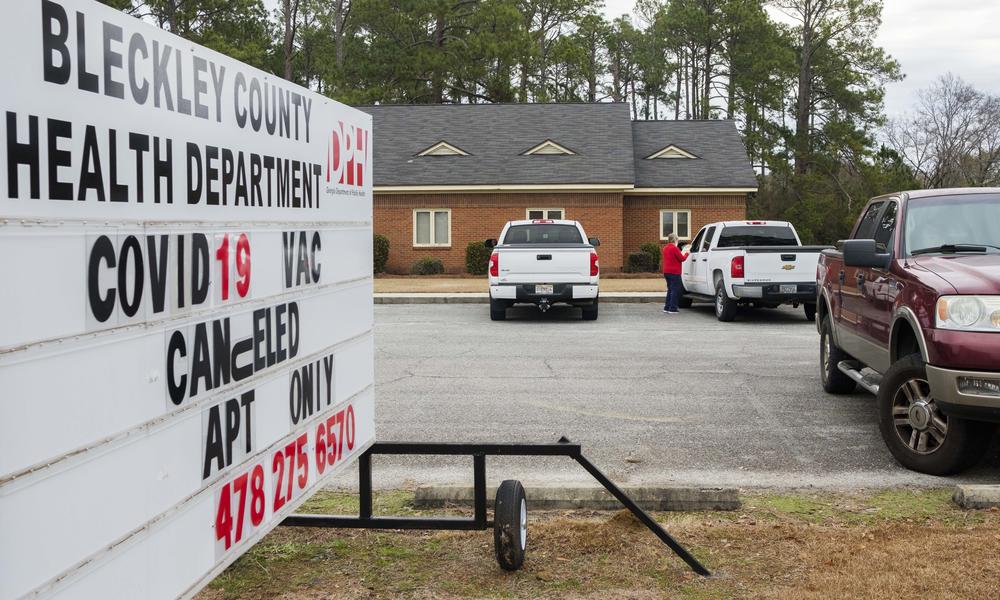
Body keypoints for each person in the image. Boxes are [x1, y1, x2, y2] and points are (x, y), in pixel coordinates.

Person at [661, 233, 689, 314]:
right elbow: (682, 259)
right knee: (675, 290)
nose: (678, 241)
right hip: (674, 272)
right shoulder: (675, 248)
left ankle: (667, 307)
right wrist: (687, 253)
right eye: (677, 240)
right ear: (675, 240)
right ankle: (673, 308)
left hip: (666, 272)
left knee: (670, 289)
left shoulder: (665, 248)